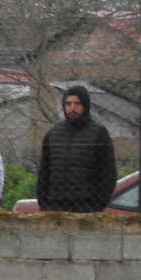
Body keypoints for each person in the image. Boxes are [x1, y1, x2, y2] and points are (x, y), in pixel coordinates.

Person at [36, 84, 117, 212]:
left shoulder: (99, 133)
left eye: (77, 103)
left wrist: (97, 206)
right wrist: (44, 205)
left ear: (85, 105)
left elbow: (108, 173)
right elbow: (44, 173)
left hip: (86, 206)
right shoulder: (53, 134)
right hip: (55, 206)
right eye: (68, 104)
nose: (72, 108)